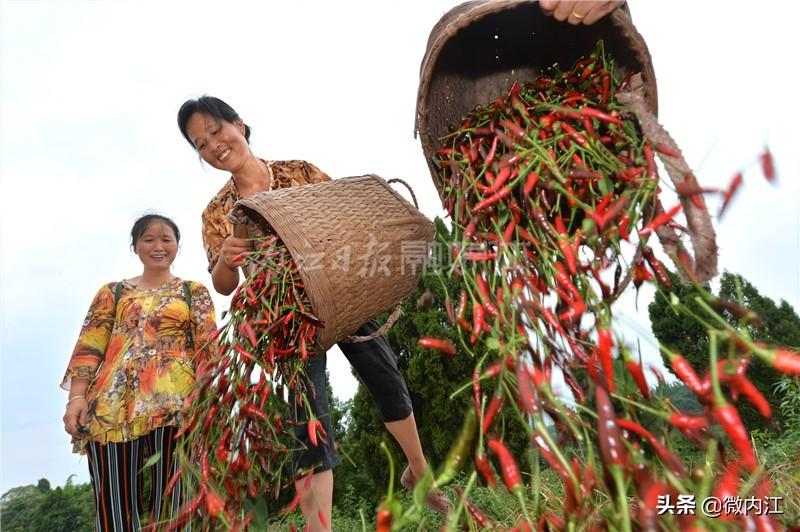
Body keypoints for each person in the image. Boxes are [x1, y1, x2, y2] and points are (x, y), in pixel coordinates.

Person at [177, 96, 449, 531]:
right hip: (287, 317)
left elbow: (348, 220)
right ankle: (317, 527)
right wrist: (228, 259)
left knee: (385, 374)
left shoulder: (298, 172)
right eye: (200, 143)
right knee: (309, 420)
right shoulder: (218, 212)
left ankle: (419, 470)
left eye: (215, 130)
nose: (213, 145)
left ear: (240, 125)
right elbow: (225, 285)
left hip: (341, 291)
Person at [61, 214, 217, 531]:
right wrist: (76, 399)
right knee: (113, 508)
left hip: (177, 405)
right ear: (135, 246)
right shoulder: (113, 292)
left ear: (177, 246)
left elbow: (208, 351)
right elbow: (89, 348)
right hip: (111, 410)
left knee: (175, 503)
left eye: (166, 239)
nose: (158, 246)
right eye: (148, 239)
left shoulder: (193, 292)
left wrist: (211, 403)